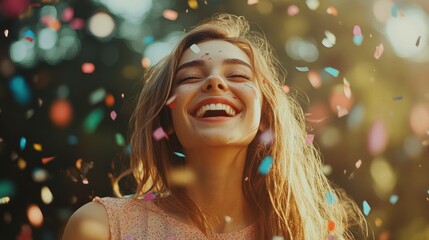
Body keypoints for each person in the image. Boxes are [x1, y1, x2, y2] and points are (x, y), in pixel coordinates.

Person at [62, 13, 366, 240]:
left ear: (264, 114)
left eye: (237, 75)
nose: (215, 82)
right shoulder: (99, 228)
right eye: (190, 77)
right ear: (167, 116)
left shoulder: (308, 234)